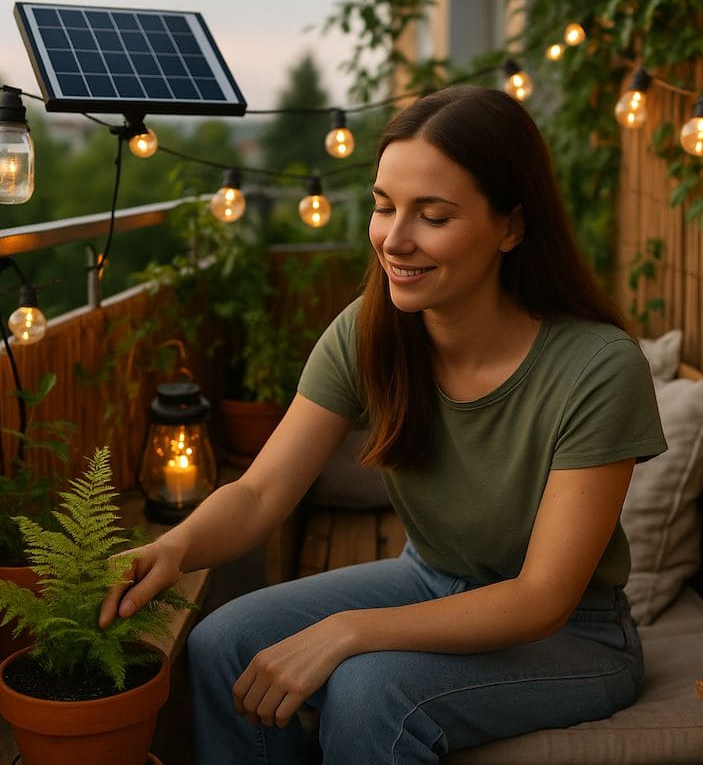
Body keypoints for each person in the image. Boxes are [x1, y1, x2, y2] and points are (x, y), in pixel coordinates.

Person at [99, 84, 667, 764]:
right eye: (383, 206)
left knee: (370, 692)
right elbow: (259, 493)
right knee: (224, 644)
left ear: (510, 226)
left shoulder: (597, 367)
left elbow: (541, 598)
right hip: (429, 578)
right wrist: (177, 548)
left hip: (573, 635)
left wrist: (349, 631)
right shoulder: (370, 333)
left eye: (432, 215)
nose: (394, 240)